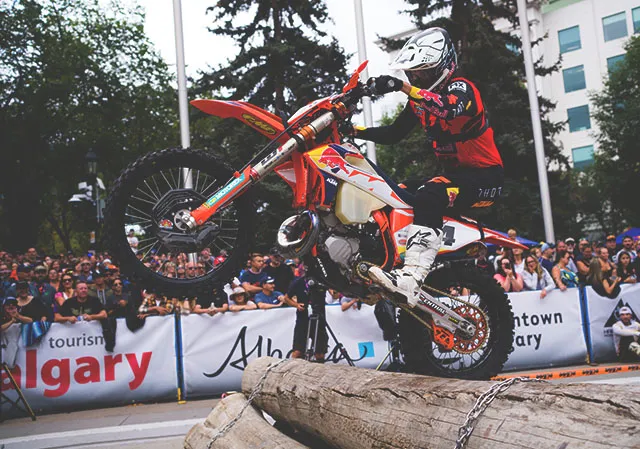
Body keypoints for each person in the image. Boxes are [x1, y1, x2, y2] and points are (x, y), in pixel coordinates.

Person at [354, 27, 504, 308]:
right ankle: (385, 260)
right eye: (413, 73)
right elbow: (393, 134)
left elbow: (448, 109)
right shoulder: (419, 103)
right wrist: (354, 130)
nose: (416, 78)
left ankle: (412, 276)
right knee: (393, 191)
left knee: (431, 194)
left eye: (423, 73)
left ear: (443, 68)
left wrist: (402, 87)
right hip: (455, 177)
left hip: (485, 178)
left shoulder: (462, 88)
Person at [283, 277, 328, 361]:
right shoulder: (298, 282)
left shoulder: (322, 280)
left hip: (319, 318)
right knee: (297, 352)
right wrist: (296, 305)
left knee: (320, 353)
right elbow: (286, 298)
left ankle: (319, 371)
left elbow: (334, 293)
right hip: (302, 318)